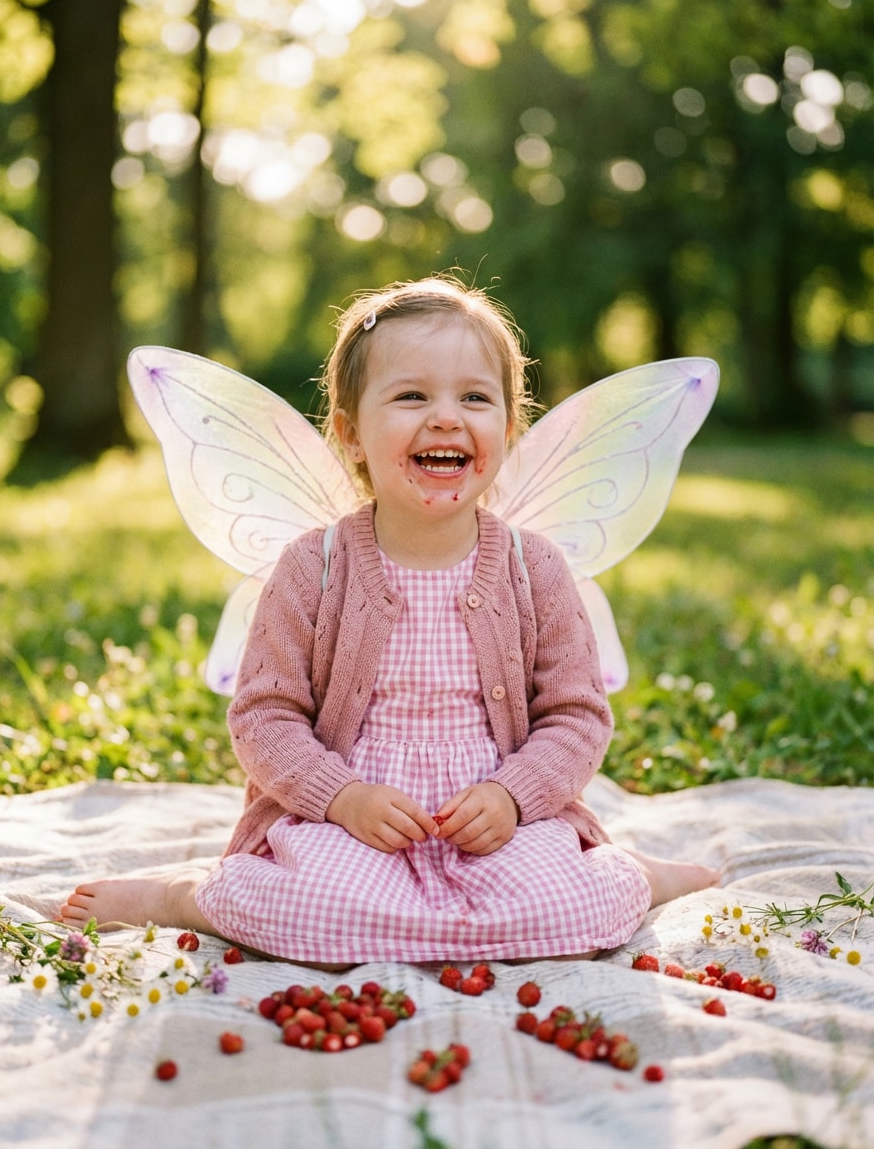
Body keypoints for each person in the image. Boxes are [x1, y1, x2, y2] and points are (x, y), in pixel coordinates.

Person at [59, 277, 717, 967]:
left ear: (507, 429)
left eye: (474, 398)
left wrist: (514, 796)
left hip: (494, 819)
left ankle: (638, 877)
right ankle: (188, 896)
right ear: (350, 434)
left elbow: (577, 717)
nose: (444, 418)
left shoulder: (534, 568)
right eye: (411, 396)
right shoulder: (312, 566)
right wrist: (341, 797)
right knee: (312, 906)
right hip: (351, 819)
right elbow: (264, 717)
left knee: (575, 903)